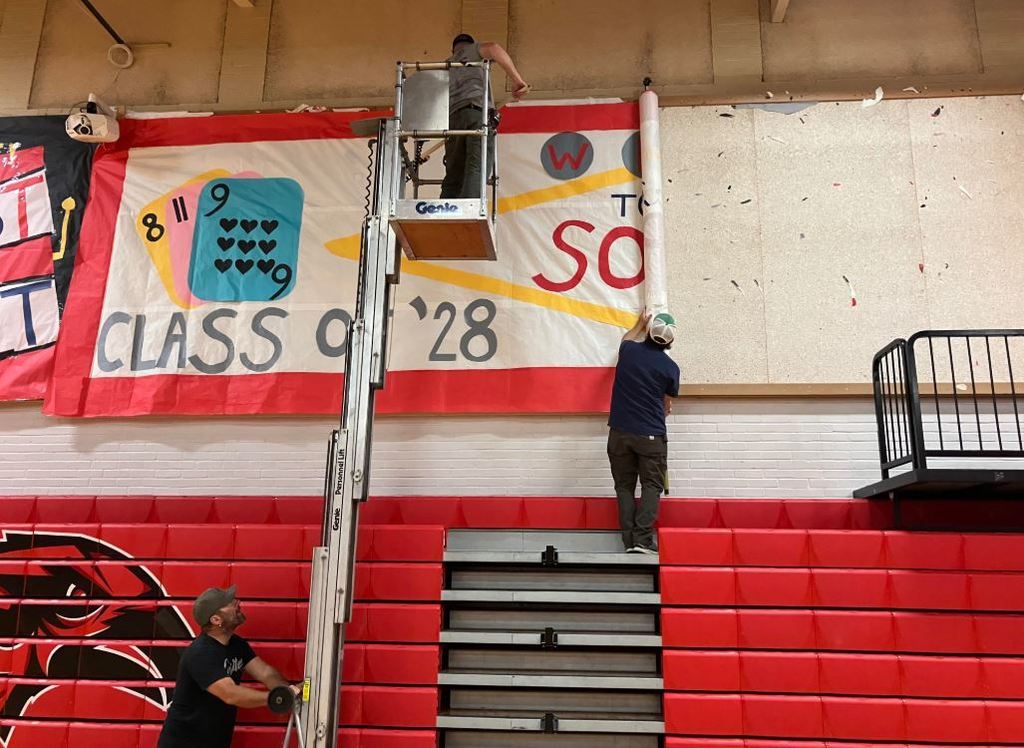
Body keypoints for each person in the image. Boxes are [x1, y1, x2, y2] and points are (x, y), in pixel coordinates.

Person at [157, 586, 298, 748]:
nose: (237, 602)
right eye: (229, 603)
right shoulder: (200, 654)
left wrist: (289, 691)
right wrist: (277, 698)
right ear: (216, 620)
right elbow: (230, 694)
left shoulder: (236, 644)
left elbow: (265, 673)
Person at [607, 310, 680, 554]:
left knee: (623, 486)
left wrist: (640, 323)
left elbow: (626, 337)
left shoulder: (628, 351)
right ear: (671, 340)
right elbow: (667, 405)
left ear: (649, 331)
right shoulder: (670, 368)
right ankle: (643, 541)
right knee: (651, 486)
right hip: (650, 435)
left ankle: (629, 541)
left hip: (618, 433)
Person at [441, 33, 530, 199]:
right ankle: (470, 208)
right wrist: (517, 81)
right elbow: (494, 48)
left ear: (453, 50)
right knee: (477, 165)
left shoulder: (445, 65)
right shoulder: (473, 50)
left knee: (454, 172)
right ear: (471, 44)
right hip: (476, 113)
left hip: (452, 119)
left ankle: (446, 208)